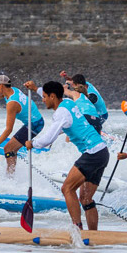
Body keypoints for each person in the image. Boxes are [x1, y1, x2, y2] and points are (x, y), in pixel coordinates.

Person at [24, 80, 109, 233]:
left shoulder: (61, 113)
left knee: (67, 188)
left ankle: (77, 229)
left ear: (52, 96)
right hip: (102, 152)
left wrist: (32, 143)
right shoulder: (68, 103)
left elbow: (47, 139)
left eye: (44, 97)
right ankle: (94, 235)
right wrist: (36, 89)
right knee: (86, 200)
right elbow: (68, 124)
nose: (42, 100)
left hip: (92, 153)